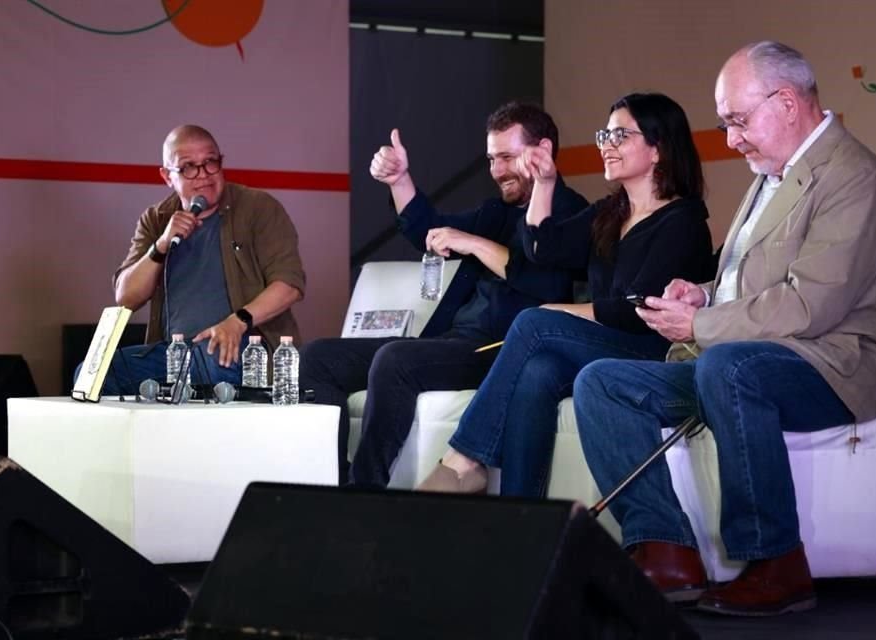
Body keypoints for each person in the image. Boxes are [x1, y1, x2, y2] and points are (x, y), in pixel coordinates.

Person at [574, 41, 876, 615]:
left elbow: (810, 307)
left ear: (784, 103)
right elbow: (747, 271)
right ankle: (665, 552)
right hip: (755, 357)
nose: (731, 140)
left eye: (737, 121)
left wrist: (701, 321)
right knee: (602, 382)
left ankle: (777, 563)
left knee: (730, 367)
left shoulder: (854, 176)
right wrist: (701, 291)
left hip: (834, 363)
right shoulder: (770, 174)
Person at [416, 93, 713, 496]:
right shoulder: (612, 210)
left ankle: (463, 460)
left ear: (658, 147)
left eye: (620, 135)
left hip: (651, 352)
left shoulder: (684, 219)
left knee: (535, 321)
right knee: (540, 371)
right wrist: (545, 182)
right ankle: (522, 515)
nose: (606, 145)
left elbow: (638, 309)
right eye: (604, 135)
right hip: (608, 344)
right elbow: (542, 248)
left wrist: (562, 311)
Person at [298, 102, 589, 487]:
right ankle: (328, 479)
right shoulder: (497, 212)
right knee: (317, 357)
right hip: (452, 341)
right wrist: (400, 180)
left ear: (543, 151)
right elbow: (430, 233)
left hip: (504, 350)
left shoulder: (573, 213)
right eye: (490, 159)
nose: (496, 170)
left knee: (394, 359)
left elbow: (544, 284)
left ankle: (363, 492)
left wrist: (473, 243)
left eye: (506, 157)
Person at [90, 124, 305, 394]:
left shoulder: (258, 208)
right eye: (188, 167)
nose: (203, 175)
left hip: (241, 349)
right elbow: (126, 298)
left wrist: (236, 322)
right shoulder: (156, 219)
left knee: (211, 360)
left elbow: (289, 285)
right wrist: (161, 245)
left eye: (210, 163)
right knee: (94, 373)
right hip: (176, 351)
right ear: (167, 176)